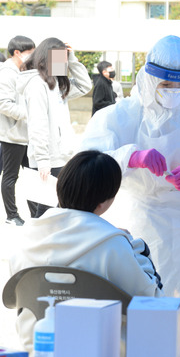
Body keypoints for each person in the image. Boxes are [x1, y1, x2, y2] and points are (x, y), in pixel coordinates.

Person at [80, 35, 180, 356]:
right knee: (142, 309)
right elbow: (88, 161)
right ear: (150, 77)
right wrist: (130, 157)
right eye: (167, 84)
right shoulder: (119, 116)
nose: (174, 92)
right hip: (141, 223)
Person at [10, 150, 164, 352]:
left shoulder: (28, 236)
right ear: (103, 202)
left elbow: (14, 296)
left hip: (39, 346)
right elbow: (150, 298)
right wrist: (135, 247)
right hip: (101, 348)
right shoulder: (113, 244)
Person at [18, 38, 92, 218]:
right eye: (60, 57)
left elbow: (85, 85)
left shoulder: (57, 84)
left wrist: (73, 59)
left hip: (60, 156)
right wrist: (43, 160)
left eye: (65, 58)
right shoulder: (37, 84)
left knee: (55, 210)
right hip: (48, 159)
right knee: (46, 213)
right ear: (46, 58)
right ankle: (38, 245)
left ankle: (45, 244)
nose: (64, 62)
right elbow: (38, 123)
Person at [0, 35, 37, 225]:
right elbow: (3, 104)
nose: (33, 56)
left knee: (33, 176)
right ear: (17, 52)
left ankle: (37, 216)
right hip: (13, 135)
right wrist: (30, 114)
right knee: (11, 176)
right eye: (30, 52)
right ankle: (12, 216)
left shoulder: (23, 71)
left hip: (27, 134)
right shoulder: (7, 73)